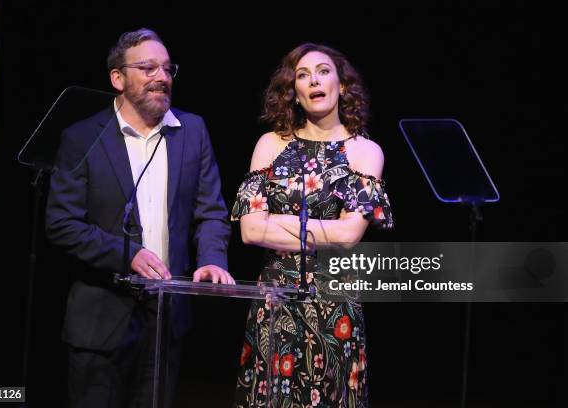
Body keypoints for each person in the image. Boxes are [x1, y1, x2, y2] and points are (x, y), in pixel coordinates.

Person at [46, 28, 233, 407]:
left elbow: (211, 210)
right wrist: (126, 253)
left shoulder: (192, 130)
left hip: (166, 318)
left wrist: (212, 259)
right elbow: (62, 223)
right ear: (118, 78)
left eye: (167, 68)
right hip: (100, 321)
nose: (161, 77)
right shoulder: (82, 137)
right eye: (147, 68)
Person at [231, 43, 393, 407]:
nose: (313, 80)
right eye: (302, 75)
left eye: (323, 71)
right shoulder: (271, 144)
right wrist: (320, 229)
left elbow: (349, 236)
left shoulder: (364, 152)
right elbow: (250, 231)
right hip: (275, 302)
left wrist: (278, 220)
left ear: (342, 85)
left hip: (334, 305)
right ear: (295, 93)